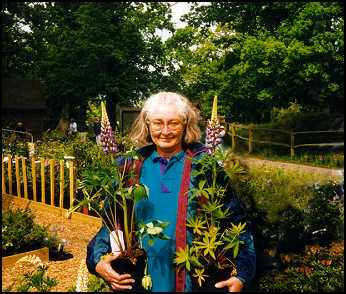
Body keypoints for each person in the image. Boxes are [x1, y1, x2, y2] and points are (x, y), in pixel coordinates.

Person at [86, 92, 256, 292]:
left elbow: (237, 222)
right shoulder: (129, 167)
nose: (165, 131)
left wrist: (242, 274)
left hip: (195, 279)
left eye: (173, 123)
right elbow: (109, 223)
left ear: (185, 125)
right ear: (147, 125)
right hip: (140, 278)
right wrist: (98, 261)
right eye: (158, 123)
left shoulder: (205, 167)